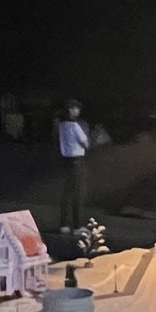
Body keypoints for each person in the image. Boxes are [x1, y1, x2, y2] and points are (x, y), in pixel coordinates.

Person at [57, 99, 90, 232]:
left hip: (65, 160)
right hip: (77, 160)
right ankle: (77, 225)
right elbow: (85, 143)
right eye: (75, 108)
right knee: (78, 193)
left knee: (67, 193)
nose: (77, 111)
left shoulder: (61, 125)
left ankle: (64, 224)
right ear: (70, 110)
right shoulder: (75, 125)